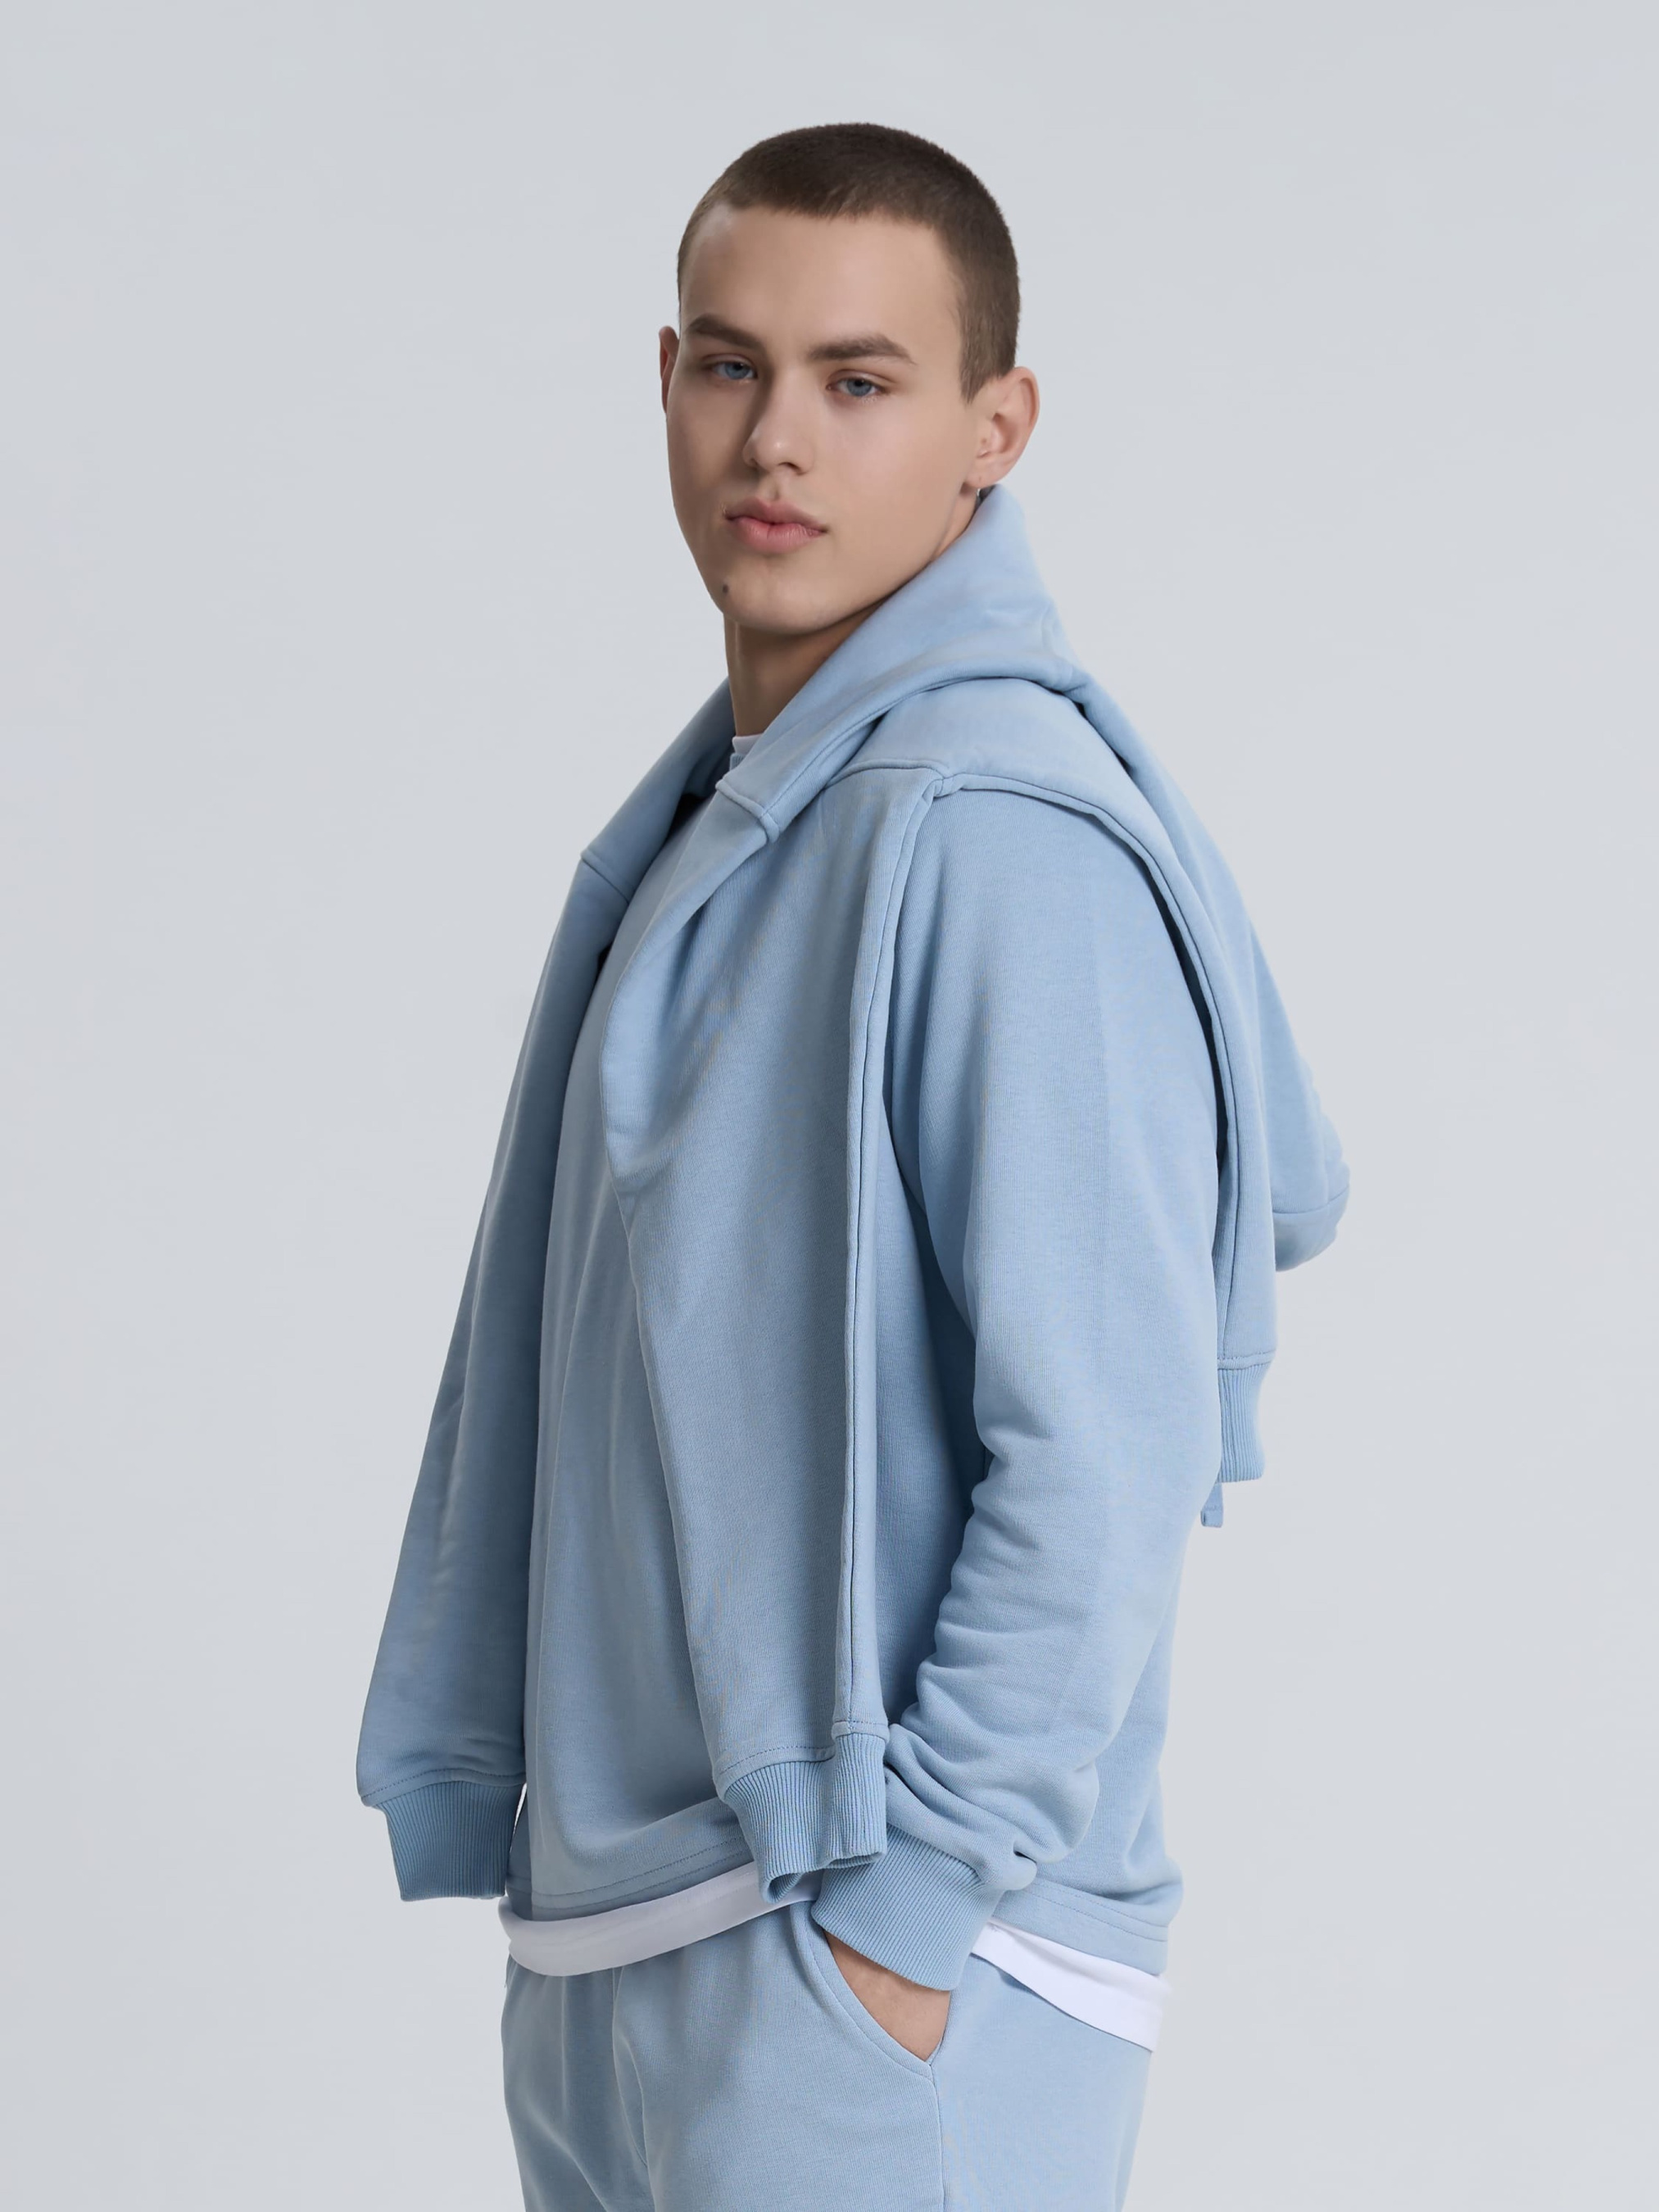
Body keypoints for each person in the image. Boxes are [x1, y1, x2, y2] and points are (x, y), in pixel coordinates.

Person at [356, 121, 1349, 2212]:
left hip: (877, 1960)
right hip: (630, 1942)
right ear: (664, 380)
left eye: (859, 379)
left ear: (996, 428)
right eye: (730, 366)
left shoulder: (992, 835)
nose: (775, 441)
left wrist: (901, 1925)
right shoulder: (708, 835)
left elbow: (1099, 1444)